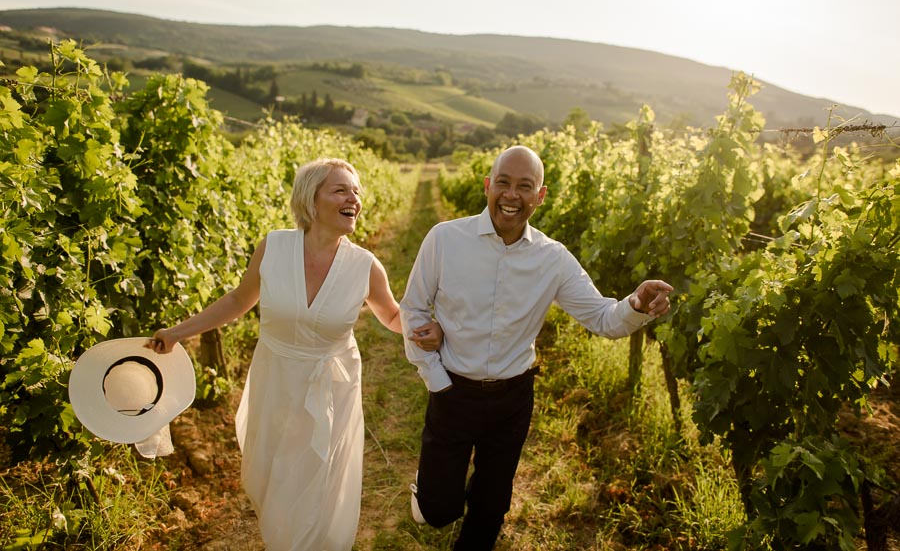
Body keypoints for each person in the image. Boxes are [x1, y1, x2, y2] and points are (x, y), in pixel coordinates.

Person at [147, 158, 443, 551]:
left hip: (332, 388)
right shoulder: (274, 247)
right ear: (311, 198)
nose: (353, 198)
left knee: (317, 488)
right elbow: (238, 299)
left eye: (356, 191)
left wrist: (429, 330)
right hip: (275, 379)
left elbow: (391, 314)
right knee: (269, 482)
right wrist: (179, 333)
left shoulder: (364, 266)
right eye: (341, 190)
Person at [399, 145, 672, 550]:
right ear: (488, 186)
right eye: (504, 184)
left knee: (491, 510)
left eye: (525, 187)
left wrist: (636, 304)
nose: (512, 195)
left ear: (540, 197)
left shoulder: (553, 258)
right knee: (440, 510)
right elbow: (414, 309)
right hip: (452, 389)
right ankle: (436, 488)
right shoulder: (444, 239)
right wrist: (436, 378)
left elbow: (601, 317)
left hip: (513, 398)